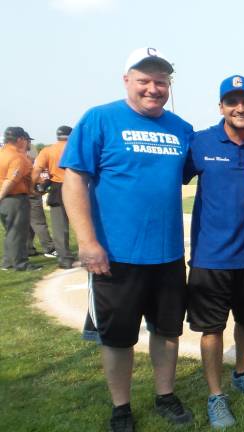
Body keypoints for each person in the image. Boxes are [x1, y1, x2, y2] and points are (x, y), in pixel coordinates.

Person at [60, 47, 194, 432]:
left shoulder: (180, 128)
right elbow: (75, 180)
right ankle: (122, 407)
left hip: (167, 253)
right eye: (144, 80)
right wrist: (87, 241)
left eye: (161, 82)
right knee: (118, 338)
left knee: (168, 331)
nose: (153, 88)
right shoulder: (100, 119)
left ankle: (165, 395)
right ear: (127, 81)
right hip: (115, 254)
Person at [184, 75, 244, 429]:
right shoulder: (202, 142)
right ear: (220, 106)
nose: (240, 108)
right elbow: (171, 178)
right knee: (211, 329)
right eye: (232, 102)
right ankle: (215, 394)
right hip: (211, 257)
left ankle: (242, 372)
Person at [32, 125, 77, 268]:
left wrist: (31, 187)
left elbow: (37, 170)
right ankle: (87, 254)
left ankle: (65, 258)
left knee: (59, 226)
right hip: (78, 186)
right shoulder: (76, 148)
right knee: (84, 222)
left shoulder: (48, 150)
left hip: (58, 187)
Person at [0, 127, 41, 271]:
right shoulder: (17, 157)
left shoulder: (2, 153)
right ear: (19, 140)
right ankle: (21, 264)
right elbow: (10, 180)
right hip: (14, 198)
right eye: (24, 139)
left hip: (6, 200)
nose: (26, 142)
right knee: (18, 232)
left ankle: (7, 263)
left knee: (11, 231)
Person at [27, 142, 56, 258]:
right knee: (39, 223)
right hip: (31, 193)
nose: (29, 143)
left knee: (29, 224)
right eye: (27, 141)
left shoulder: (22, 156)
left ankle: (28, 249)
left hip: (22, 194)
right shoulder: (24, 158)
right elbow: (34, 176)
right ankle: (49, 249)